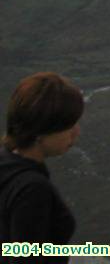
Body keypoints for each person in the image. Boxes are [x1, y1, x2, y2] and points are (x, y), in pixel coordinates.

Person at [1, 72, 83, 246]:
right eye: (69, 126)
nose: (77, 132)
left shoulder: (5, 163)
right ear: (40, 133)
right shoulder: (32, 189)